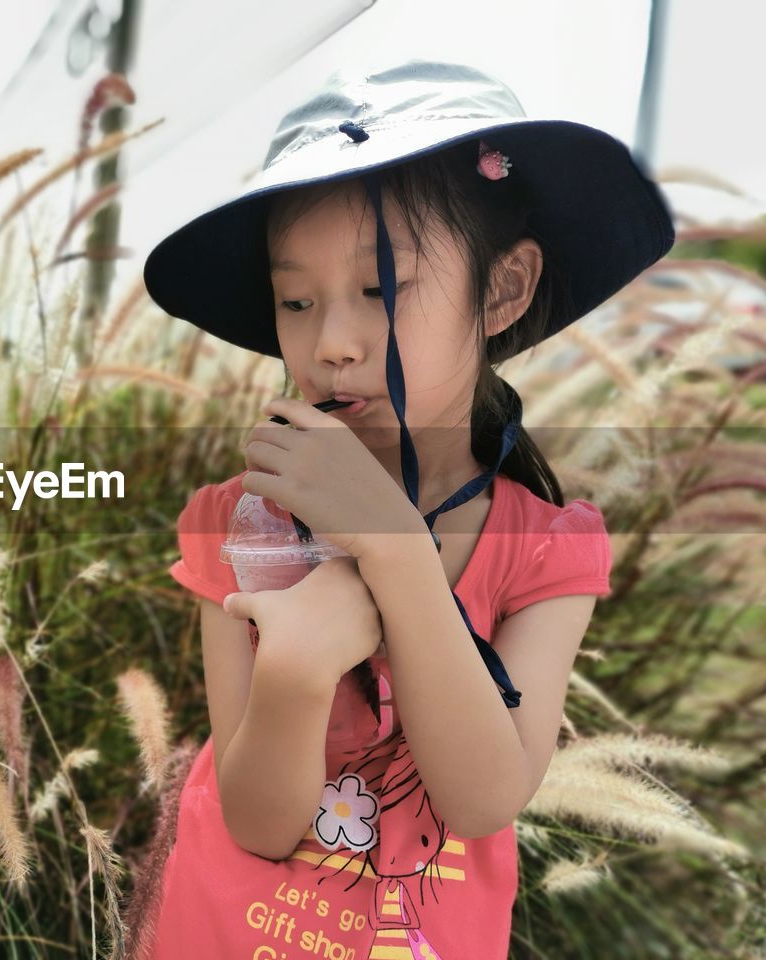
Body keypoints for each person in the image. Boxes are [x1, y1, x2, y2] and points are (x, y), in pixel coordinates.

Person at [138, 58, 675, 958]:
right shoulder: (238, 522)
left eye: (382, 288)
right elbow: (260, 823)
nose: (332, 342)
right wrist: (297, 671)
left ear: (502, 289)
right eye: (295, 300)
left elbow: (482, 797)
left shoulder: (545, 550)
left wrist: (393, 551)